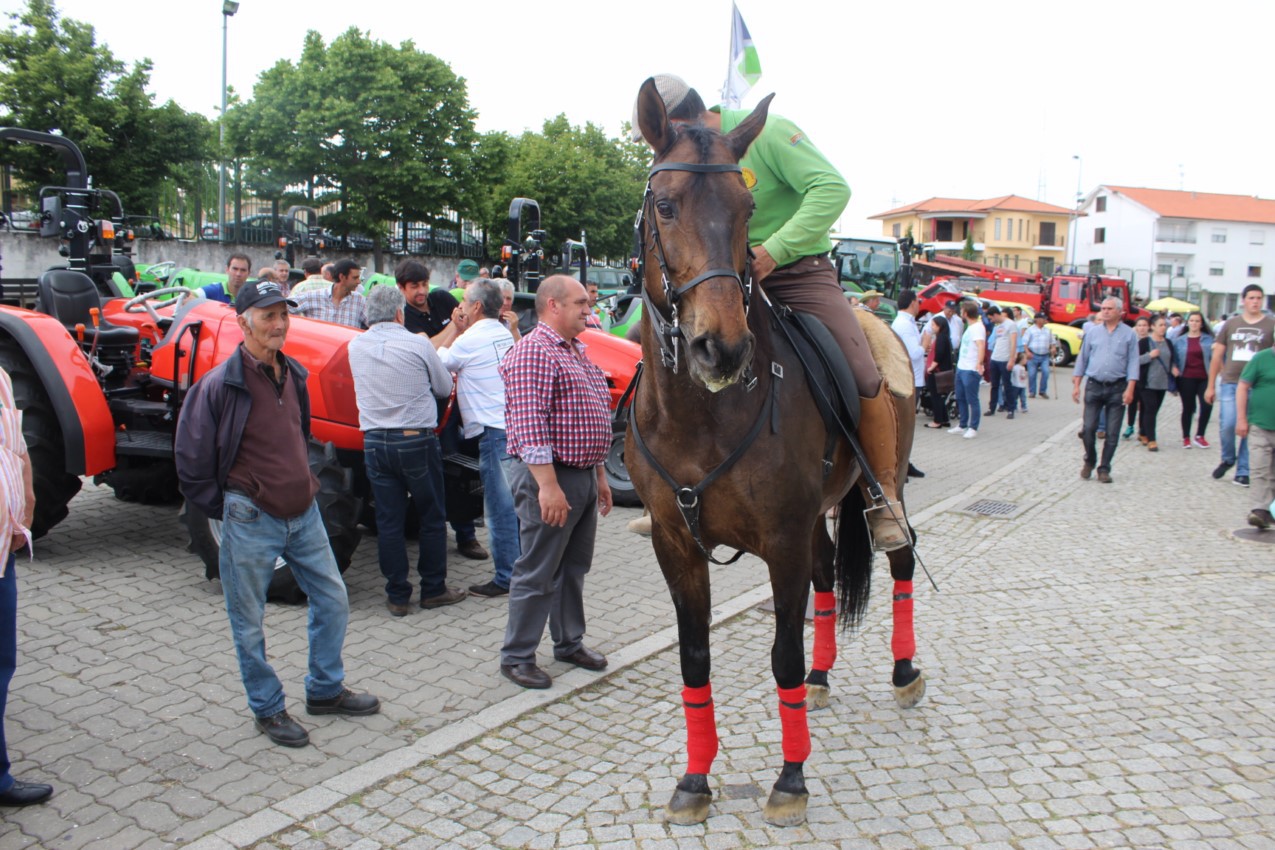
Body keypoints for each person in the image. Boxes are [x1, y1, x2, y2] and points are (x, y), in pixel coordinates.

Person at [635, 73, 909, 550]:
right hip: (721, 275)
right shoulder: (682, 162)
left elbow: (832, 188)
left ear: (686, 122)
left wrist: (776, 249)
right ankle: (666, 490)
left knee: (862, 372)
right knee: (666, 361)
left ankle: (883, 494)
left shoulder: (772, 132)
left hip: (796, 272)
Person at [174, 280, 379, 748]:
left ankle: (325, 690)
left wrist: (304, 483)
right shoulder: (220, 385)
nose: (279, 324)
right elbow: (190, 455)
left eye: (283, 314)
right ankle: (267, 708)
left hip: (303, 513)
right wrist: (224, 508)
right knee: (247, 621)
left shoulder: (295, 375)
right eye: (268, 316)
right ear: (243, 321)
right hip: (251, 517)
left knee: (333, 599)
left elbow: (299, 437)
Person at [498, 275, 612, 689]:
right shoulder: (534, 352)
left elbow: (592, 415)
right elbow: (530, 426)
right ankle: (517, 656)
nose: (589, 309)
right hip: (550, 478)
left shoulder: (576, 350)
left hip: (579, 475)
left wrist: (599, 475)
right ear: (552, 305)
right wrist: (548, 486)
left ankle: (568, 643)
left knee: (573, 568)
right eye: (581, 302)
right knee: (538, 569)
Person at [348, 284, 466, 616]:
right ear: (400, 312)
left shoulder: (355, 345)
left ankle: (397, 595)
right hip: (415, 439)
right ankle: (433, 589)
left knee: (388, 521)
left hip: (373, 442)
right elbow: (444, 386)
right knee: (431, 517)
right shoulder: (416, 343)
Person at [431, 279, 521, 598]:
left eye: (465, 302)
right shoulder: (502, 334)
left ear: (477, 307)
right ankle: (522, 570)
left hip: (495, 433)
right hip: (514, 427)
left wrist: (454, 329)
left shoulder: (472, 338)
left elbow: (437, 362)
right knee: (517, 504)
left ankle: (507, 576)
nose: (462, 308)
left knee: (499, 509)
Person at [393, 259, 487, 561]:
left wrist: (458, 330)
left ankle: (467, 529)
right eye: (414, 287)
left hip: (465, 396)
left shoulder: (442, 298)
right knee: (449, 466)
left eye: (424, 284)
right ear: (401, 288)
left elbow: (472, 326)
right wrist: (454, 330)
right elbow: (426, 351)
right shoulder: (405, 315)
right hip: (433, 405)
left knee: (468, 463)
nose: (422, 292)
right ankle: (462, 534)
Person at [0, 367, 50, 806]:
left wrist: (28, 503)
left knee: (2, 662)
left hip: (2, 548)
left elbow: (16, 448)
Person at [1205, 284, 1275, 488]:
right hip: (1231, 381)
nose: (1255, 301)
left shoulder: (1270, 325)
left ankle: (1243, 470)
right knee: (1228, 423)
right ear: (1243, 300)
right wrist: (1210, 386)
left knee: (1250, 427)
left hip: (1258, 384)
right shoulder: (1231, 324)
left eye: (1259, 298)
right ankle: (1228, 457)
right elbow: (1217, 354)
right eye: (1251, 298)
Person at [1072, 297, 1139, 483]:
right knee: (1088, 429)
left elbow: (1133, 362)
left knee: (1112, 432)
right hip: (1094, 385)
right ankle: (1090, 459)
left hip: (1117, 387)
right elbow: (1082, 359)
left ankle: (1104, 468)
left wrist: (1131, 388)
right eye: (1103, 308)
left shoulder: (1129, 334)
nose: (1106, 311)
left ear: (1120, 311)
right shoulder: (1093, 333)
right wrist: (1077, 384)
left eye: (1110, 308)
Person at [1236, 343, 1275, 528]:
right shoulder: (1261, 358)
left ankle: (1271, 510)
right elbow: (1243, 387)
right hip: (1260, 424)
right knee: (1260, 468)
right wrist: (1242, 418)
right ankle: (1260, 510)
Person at [1171, 311, 1215, 449]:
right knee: (1188, 408)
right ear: (1187, 322)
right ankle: (1186, 437)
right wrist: (1173, 367)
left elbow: (1216, 357)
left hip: (1205, 377)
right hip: (1186, 377)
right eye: (1192, 320)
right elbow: (1173, 358)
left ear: (1201, 324)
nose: (1194, 323)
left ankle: (1200, 435)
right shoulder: (1179, 340)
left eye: (1197, 321)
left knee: (1207, 406)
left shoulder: (1209, 340)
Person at [1137, 315, 1176, 451]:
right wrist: (1149, 356)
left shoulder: (1169, 342)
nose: (1163, 328)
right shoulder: (1144, 342)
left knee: (1153, 410)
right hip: (1147, 382)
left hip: (1162, 382)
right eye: (1160, 325)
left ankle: (1143, 431)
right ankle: (1152, 439)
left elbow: (1170, 360)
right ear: (1152, 326)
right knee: (1151, 408)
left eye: (1165, 325)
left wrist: (1174, 369)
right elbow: (1134, 361)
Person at [292, 258, 366, 329]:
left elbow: (375, 324)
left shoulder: (360, 301)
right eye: (355, 278)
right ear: (342, 277)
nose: (358, 282)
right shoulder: (314, 296)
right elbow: (285, 307)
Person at [951, 300, 985, 439]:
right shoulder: (970, 327)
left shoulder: (977, 327)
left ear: (965, 313)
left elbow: (981, 345)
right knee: (960, 396)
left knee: (972, 399)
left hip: (970, 368)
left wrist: (979, 363)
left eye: (961, 310)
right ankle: (962, 424)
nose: (960, 313)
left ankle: (973, 427)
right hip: (962, 366)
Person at [922, 309, 953, 429]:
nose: (932, 327)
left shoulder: (941, 338)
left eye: (934, 325)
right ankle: (944, 418)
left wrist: (931, 367)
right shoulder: (944, 337)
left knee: (935, 396)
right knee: (940, 397)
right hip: (943, 371)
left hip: (937, 372)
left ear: (940, 326)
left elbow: (939, 355)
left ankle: (937, 420)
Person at [985, 306, 1017, 417]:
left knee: (1007, 385)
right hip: (995, 358)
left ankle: (1010, 409)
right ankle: (992, 407)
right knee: (994, 385)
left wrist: (1011, 359)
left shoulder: (1011, 324)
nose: (991, 321)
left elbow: (1013, 343)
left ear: (995, 315)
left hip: (1005, 359)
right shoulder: (998, 326)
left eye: (991, 318)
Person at [1122, 316, 1150, 439]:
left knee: (1144, 404)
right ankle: (1130, 425)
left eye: (1144, 325)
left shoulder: (1151, 341)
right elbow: (1130, 360)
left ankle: (1143, 428)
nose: (1142, 328)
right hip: (1133, 376)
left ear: (1149, 327)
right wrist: (1148, 356)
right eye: (1139, 325)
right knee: (1132, 403)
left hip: (1147, 376)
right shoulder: (1132, 340)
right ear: (1135, 327)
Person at [1022, 312, 1056, 399]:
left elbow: (1052, 342)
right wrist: (1027, 352)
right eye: (1042, 318)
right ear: (1037, 319)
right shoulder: (1030, 330)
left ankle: (1042, 391)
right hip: (1033, 354)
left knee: (1046, 372)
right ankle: (1032, 391)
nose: (1045, 320)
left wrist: (1053, 348)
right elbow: (1024, 343)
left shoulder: (1048, 331)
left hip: (1045, 355)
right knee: (1032, 374)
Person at [497, 278, 522, 343]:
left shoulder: (510, 323)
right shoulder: (483, 321)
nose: (505, 303)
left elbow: (521, 349)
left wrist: (514, 330)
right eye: (501, 297)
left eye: (508, 299)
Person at [1009, 351, 1028, 418]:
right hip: (1016, 385)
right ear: (1021, 360)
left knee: (1023, 397)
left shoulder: (1023, 368)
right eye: (1025, 359)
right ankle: (1014, 406)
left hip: (1022, 385)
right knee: (1015, 397)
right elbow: (1012, 374)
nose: (1026, 361)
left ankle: (1024, 407)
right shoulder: (1015, 367)